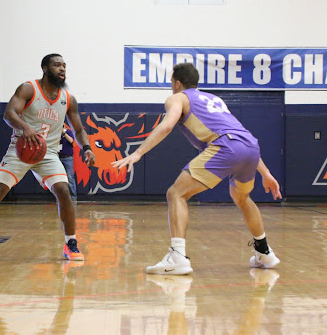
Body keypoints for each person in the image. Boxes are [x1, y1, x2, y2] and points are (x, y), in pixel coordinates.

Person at [113, 62, 282, 275]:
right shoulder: (214, 99)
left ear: (177, 83)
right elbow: (239, 134)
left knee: (176, 193)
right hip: (250, 147)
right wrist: (265, 173)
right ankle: (264, 251)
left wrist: (138, 153)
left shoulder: (178, 98)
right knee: (242, 198)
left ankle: (177, 257)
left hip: (226, 146)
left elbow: (166, 126)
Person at [0, 53, 96, 261]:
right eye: (57, 65)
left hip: (48, 153)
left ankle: (71, 244)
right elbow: (9, 113)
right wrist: (26, 127)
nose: (62, 69)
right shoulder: (29, 88)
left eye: (64, 66)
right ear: (45, 68)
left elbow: (78, 128)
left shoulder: (68, 99)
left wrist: (86, 147)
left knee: (64, 191)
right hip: (21, 149)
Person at [59, 125, 77, 202]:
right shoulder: (56, 134)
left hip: (68, 158)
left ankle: (73, 197)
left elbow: (71, 140)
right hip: (58, 157)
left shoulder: (69, 132)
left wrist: (64, 134)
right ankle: (61, 197)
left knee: (70, 178)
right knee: (59, 179)